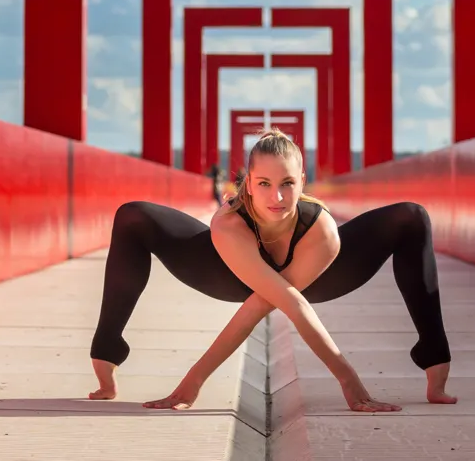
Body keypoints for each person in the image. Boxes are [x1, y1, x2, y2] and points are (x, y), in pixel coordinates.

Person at [87, 127, 456, 413]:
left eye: (287, 184)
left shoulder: (322, 229)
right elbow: (255, 307)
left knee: (411, 216)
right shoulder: (229, 224)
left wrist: (349, 382)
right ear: (247, 182)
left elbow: (291, 304)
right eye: (263, 184)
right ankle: (106, 349)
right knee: (132, 215)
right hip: (222, 272)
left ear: (303, 183)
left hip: (319, 276)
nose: (276, 198)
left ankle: (434, 356)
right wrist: (192, 384)